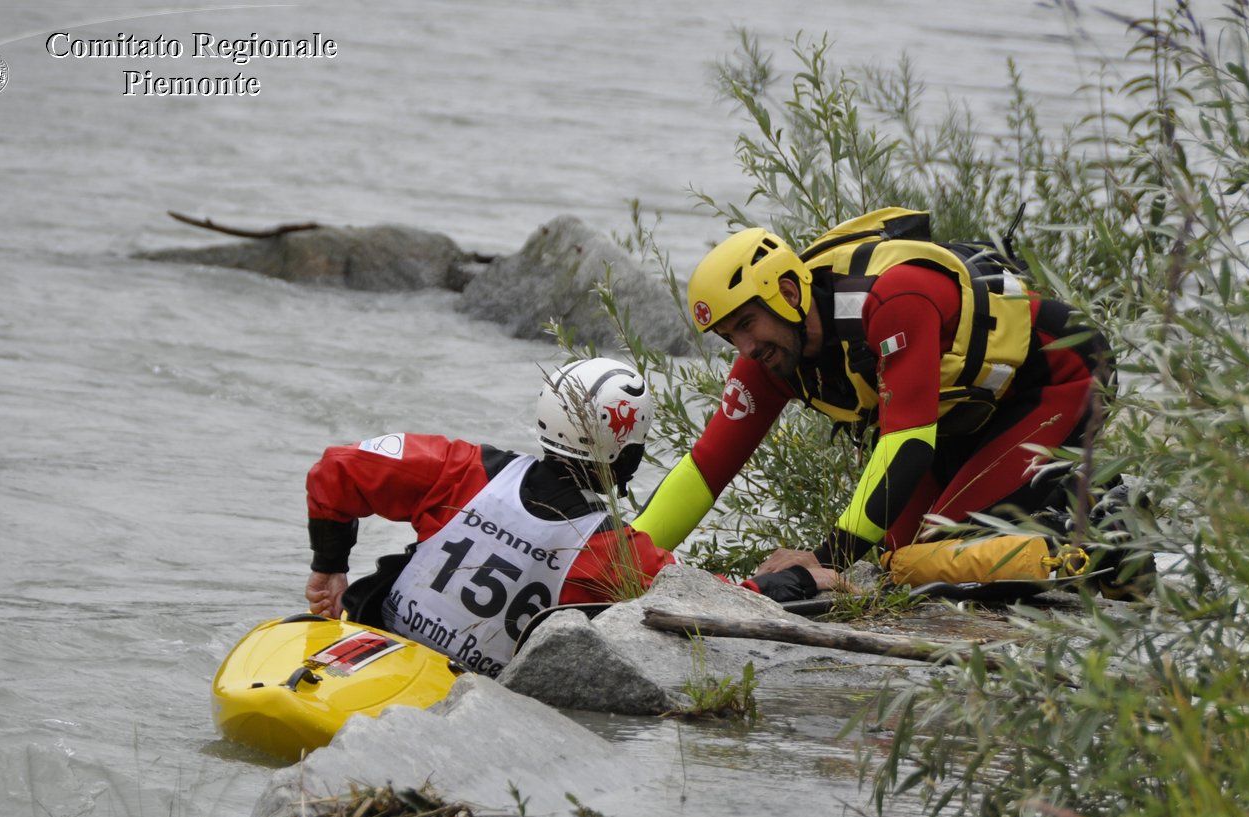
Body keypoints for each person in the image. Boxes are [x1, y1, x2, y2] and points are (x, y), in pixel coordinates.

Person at [631, 207, 1122, 581]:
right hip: (964, 417)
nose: (744, 347)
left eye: (745, 324)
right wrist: (624, 560)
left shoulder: (892, 298)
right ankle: (1068, 514)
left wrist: (822, 562)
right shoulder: (772, 351)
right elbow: (706, 467)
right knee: (898, 564)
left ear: (785, 291)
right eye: (728, 336)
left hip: (1064, 375)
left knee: (929, 560)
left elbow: (906, 445)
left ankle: (1105, 535)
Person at [303, 358, 834, 677]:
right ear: (627, 455)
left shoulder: (462, 468)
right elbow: (714, 604)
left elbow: (338, 469)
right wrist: (796, 579)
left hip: (371, 647)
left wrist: (329, 565)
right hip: (461, 696)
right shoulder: (615, 553)